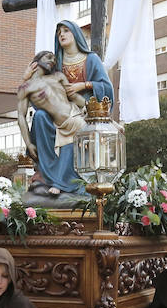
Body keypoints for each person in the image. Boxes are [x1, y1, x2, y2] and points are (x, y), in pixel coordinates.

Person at [20, 20, 113, 196]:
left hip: (85, 112)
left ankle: (62, 182)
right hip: (58, 113)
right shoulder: (56, 62)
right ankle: (45, 175)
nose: (61, 34)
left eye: (66, 31)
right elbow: (38, 91)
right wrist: (27, 78)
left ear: (76, 34)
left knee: (74, 130)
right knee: (39, 117)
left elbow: (106, 88)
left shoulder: (90, 59)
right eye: (59, 32)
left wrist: (84, 85)